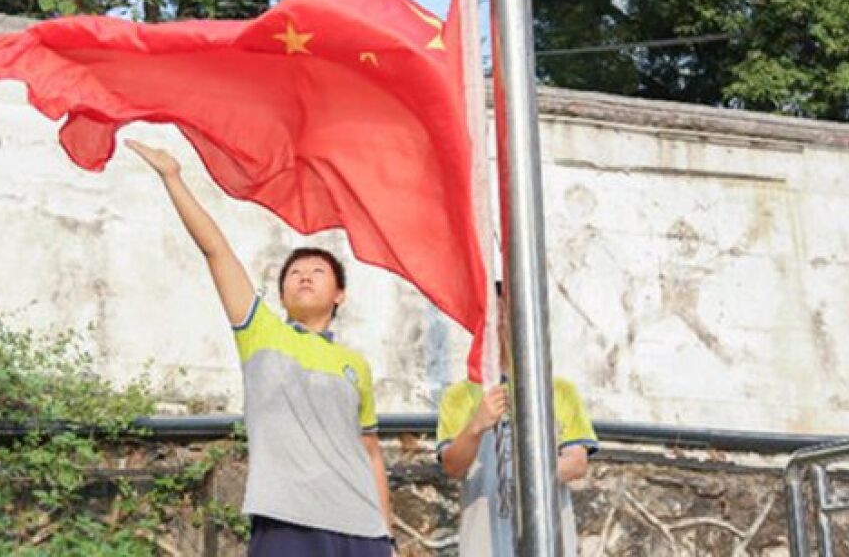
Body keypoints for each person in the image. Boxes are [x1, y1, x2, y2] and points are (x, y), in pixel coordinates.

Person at [126, 139, 394, 556]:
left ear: (339, 294)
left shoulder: (354, 365)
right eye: (295, 273)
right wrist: (173, 178)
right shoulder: (261, 332)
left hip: (361, 527)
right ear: (282, 294)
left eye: (318, 271)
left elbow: (371, 454)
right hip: (288, 520)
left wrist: (388, 534)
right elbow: (216, 252)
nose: (305, 276)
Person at [435, 282, 598, 556]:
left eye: (511, 313)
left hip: (549, 543)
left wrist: (530, 476)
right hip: (484, 545)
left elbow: (577, 463)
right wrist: (476, 425)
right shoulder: (459, 395)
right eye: (495, 315)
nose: (503, 324)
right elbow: (453, 466)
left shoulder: (558, 390)